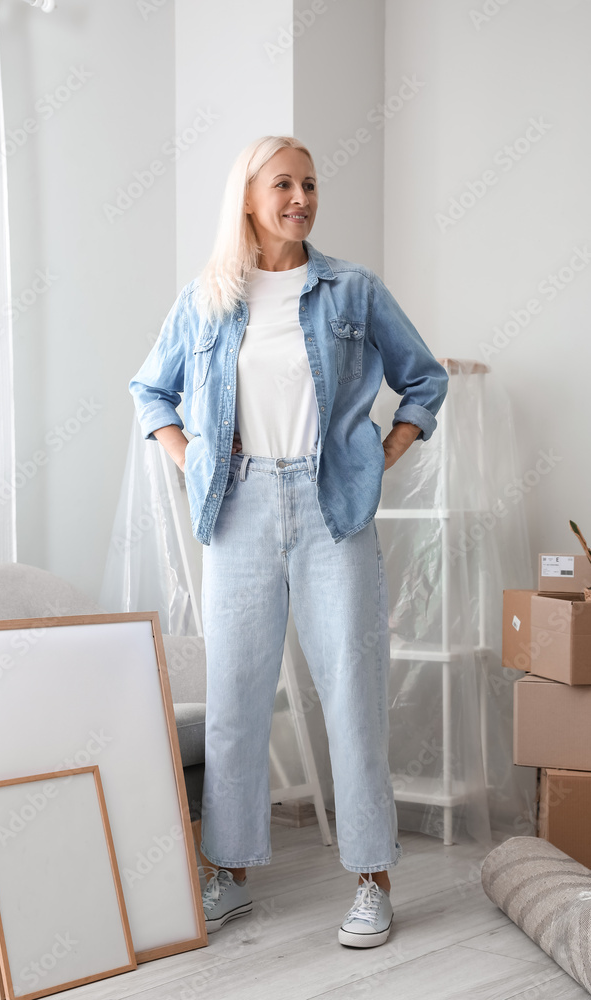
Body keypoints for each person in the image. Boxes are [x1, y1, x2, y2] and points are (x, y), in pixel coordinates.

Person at [129, 135, 449, 949]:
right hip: (236, 509)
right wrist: (193, 453)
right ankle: (229, 875)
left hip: (328, 504)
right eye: (283, 184)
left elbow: (424, 376)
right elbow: (150, 390)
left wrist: (384, 451)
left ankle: (372, 882)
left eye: (308, 184)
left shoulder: (350, 289)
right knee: (235, 697)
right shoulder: (208, 298)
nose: (300, 197)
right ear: (249, 196)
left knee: (350, 689)